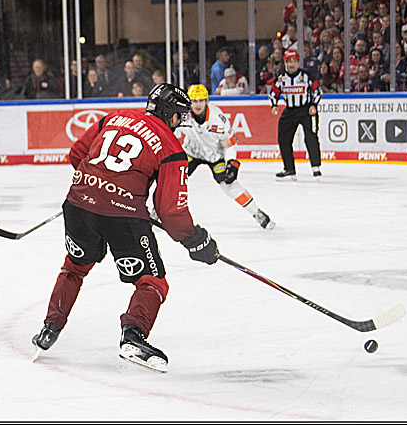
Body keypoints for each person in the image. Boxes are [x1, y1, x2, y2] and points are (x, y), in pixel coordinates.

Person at [31, 84, 219, 373]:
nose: (179, 124)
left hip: (78, 204)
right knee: (153, 280)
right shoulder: (171, 147)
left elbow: (76, 153)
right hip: (122, 218)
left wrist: (96, 186)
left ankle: (50, 327)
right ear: (170, 113)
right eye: (178, 116)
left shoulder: (114, 117)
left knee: (74, 266)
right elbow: (171, 210)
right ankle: (133, 336)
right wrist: (196, 241)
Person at [179, 85, 275, 229]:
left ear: (207, 101)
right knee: (174, 179)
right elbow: (169, 132)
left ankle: (256, 212)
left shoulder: (217, 118)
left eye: (201, 100)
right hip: (191, 153)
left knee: (229, 184)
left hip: (214, 156)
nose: (197, 104)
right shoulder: (182, 116)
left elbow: (230, 141)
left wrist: (232, 162)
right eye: (194, 101)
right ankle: (156, 212)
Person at [269, 49, 322, 179]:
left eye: (294, 61)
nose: (291, 64)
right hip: (290, 110)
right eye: (289, 62)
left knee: (311, 137)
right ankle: (289, 168)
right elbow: (273, 92)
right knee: (283, 138)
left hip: (306, 110)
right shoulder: (281, 78)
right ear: (285, 63)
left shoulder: (307, 76)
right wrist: (274, 105)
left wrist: (314, 105)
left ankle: (316, 167)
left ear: (298, 62)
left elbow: (317, 91)